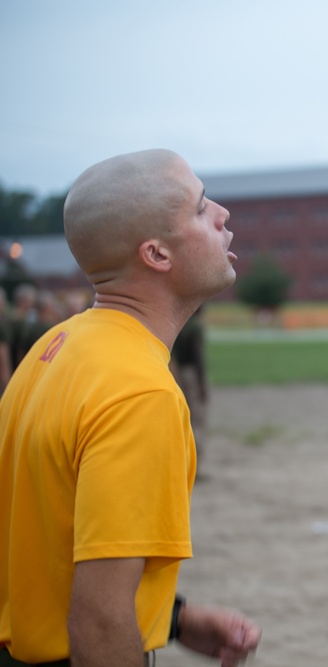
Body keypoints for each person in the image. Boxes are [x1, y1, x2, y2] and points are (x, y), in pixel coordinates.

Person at [0, 149, 261, 666]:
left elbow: (45, 550)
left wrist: (174, 619)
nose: (222, 215)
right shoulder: (141, 394)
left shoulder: (53, 350)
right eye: (199, 206)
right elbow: (98, 620)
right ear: (157, 255)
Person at [170, 306, 209, 463]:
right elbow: (197, 355)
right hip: (191, 373)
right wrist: (202, 384)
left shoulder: (178, 323)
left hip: (175, 372)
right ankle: (195, 462)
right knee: (197, 418)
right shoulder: (195, 326)